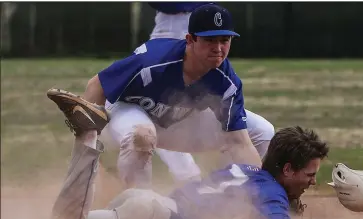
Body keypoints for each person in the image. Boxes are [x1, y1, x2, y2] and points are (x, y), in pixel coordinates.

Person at [46, 4, 274, 192]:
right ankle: (135, 208)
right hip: (126, 113)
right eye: (209, 40)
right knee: (142, 136)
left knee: (262, 131)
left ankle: (233, 200)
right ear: (190, 40)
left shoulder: (227, 81)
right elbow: (97, 84)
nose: (218, 48)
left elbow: (239, 142)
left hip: (177, 122)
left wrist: (266, 192)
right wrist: (88, 142)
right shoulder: (152, 61)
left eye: (224, 40)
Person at [46, 126, 329, 219]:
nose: (313, 182)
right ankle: (87, 140)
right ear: (288, 169)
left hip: (147, 205)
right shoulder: (271, 194)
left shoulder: (249, 171)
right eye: (309, 174)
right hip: (150, 217)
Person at [145, 2, 275, 185]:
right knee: (164, 110)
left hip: (208, 24)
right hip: (170, 26)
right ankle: (188, 179)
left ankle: (226, 187)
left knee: (260, 131)